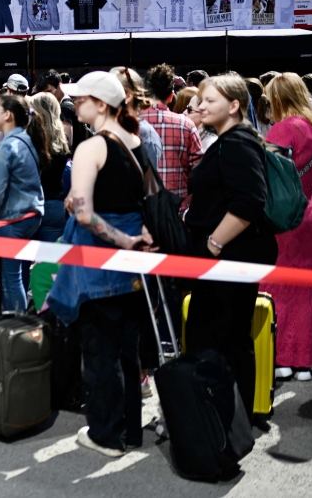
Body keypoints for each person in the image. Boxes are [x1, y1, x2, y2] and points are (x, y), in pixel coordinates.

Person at [44, 71, 153, 457]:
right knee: (127, 350)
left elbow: (86, 213)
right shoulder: (136, 142)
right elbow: (145, 200)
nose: (76, 104)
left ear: (101, 104)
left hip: (98, 263)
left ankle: (106, 435)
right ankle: (130, 431)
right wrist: (132, 238)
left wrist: (120, 238)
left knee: (100, 352)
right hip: (133, 265)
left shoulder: (91, 148)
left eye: (83, 99)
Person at [184, 74, 278, 417]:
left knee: (220, 339)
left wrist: (211, 245)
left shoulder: (236, 142)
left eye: (210, 100)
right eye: (201, 100)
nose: (200, 106)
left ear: (235, 105)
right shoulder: (232, 139)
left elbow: (249, 202)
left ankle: (223, 421)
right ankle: (232, 419)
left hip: (228, 257)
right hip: (230, 256)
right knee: (229, 338)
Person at [263, 73, 312, 382]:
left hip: (280, 217)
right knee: (302, 288)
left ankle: (278, 359)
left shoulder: (283, 129)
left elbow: (264, 178)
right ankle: (301, 361)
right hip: (308, 214)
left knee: (274, 287)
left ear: (277, 100)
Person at [0, 95, 44, 312]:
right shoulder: (27, 140)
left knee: (9, 280)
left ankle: (18, 328)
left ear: (8, 115)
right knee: (16, 276)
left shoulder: (5, 147)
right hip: (30, 216)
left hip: (9, 220)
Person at [141, 63, 203, 205]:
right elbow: (200, 169)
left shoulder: (131, 122)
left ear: (145, 94)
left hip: (140, 208)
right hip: (176, 207)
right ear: (171, 96)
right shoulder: (186, 124)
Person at [28, 92, 71, 243]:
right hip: (55, 203)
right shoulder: (63, 138)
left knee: (24, 260)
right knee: (51, 262)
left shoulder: (29, 138)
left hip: (30, 203)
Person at [111, 67, 162, 169]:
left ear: (128, 96)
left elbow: (145, 181)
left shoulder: (146, 135)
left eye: (111, 91)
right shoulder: (106, 127)